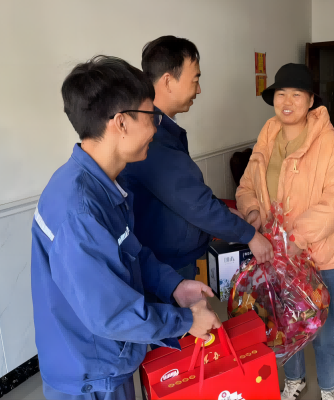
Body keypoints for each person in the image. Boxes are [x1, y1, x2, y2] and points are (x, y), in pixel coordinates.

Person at [31, 55, 220, 400]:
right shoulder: (79, 209)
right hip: (91, 379)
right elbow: (112, 313)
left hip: (105, 361)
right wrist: (186, 321)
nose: (156, 128)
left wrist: (174, 285)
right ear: (121, 122)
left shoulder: (100, 185)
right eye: (151, 116)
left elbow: (131, 252)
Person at [235, 63, 334, 400]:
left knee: (323, 324)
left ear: (310, 101)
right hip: (275, 253)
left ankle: (329, 387)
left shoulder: (331, 143)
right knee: (284, 320)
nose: (287, 101)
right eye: (281, 94)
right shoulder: (267, 137)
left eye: (296, 94)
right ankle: (295, 380)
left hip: (319, 253)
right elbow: (247, 186)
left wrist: (297, 238)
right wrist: (251, 210)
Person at [120, 36, 273, 285]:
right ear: (168, 81)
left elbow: (188, 193)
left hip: (171, 256)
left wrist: (227, 212)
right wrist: (250, 235)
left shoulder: (163, 129)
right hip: (166, 264)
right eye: (195, 80)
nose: (199, 89)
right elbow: (196, 203)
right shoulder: (153, 137)